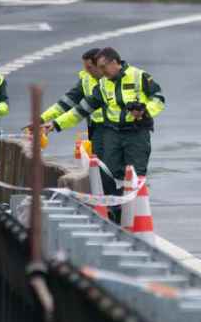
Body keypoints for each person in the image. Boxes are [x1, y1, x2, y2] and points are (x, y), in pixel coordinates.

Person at [44, 47, 165, 211]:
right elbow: (82, 110)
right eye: (99, 68)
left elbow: (158, 98)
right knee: (108, 174)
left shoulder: (138, 76)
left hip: (136, 133)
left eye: (103, 67)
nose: (101, 72)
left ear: (114, 62)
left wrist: (144, 111)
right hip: (112, 133)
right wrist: (55, 124)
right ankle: (115, 211)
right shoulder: (102, 84)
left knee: (136, 174)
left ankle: (136, 212)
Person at [36, 48, 105, 154]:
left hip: (114, 130)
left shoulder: (112, 82)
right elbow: (66, 103)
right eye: (85, 68)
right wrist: (42, 119)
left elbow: (81, 110)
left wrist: (55, 124)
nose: (87, 71)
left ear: (100, 65)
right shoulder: (86, 80)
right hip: (96, 130)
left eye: (89, 67)